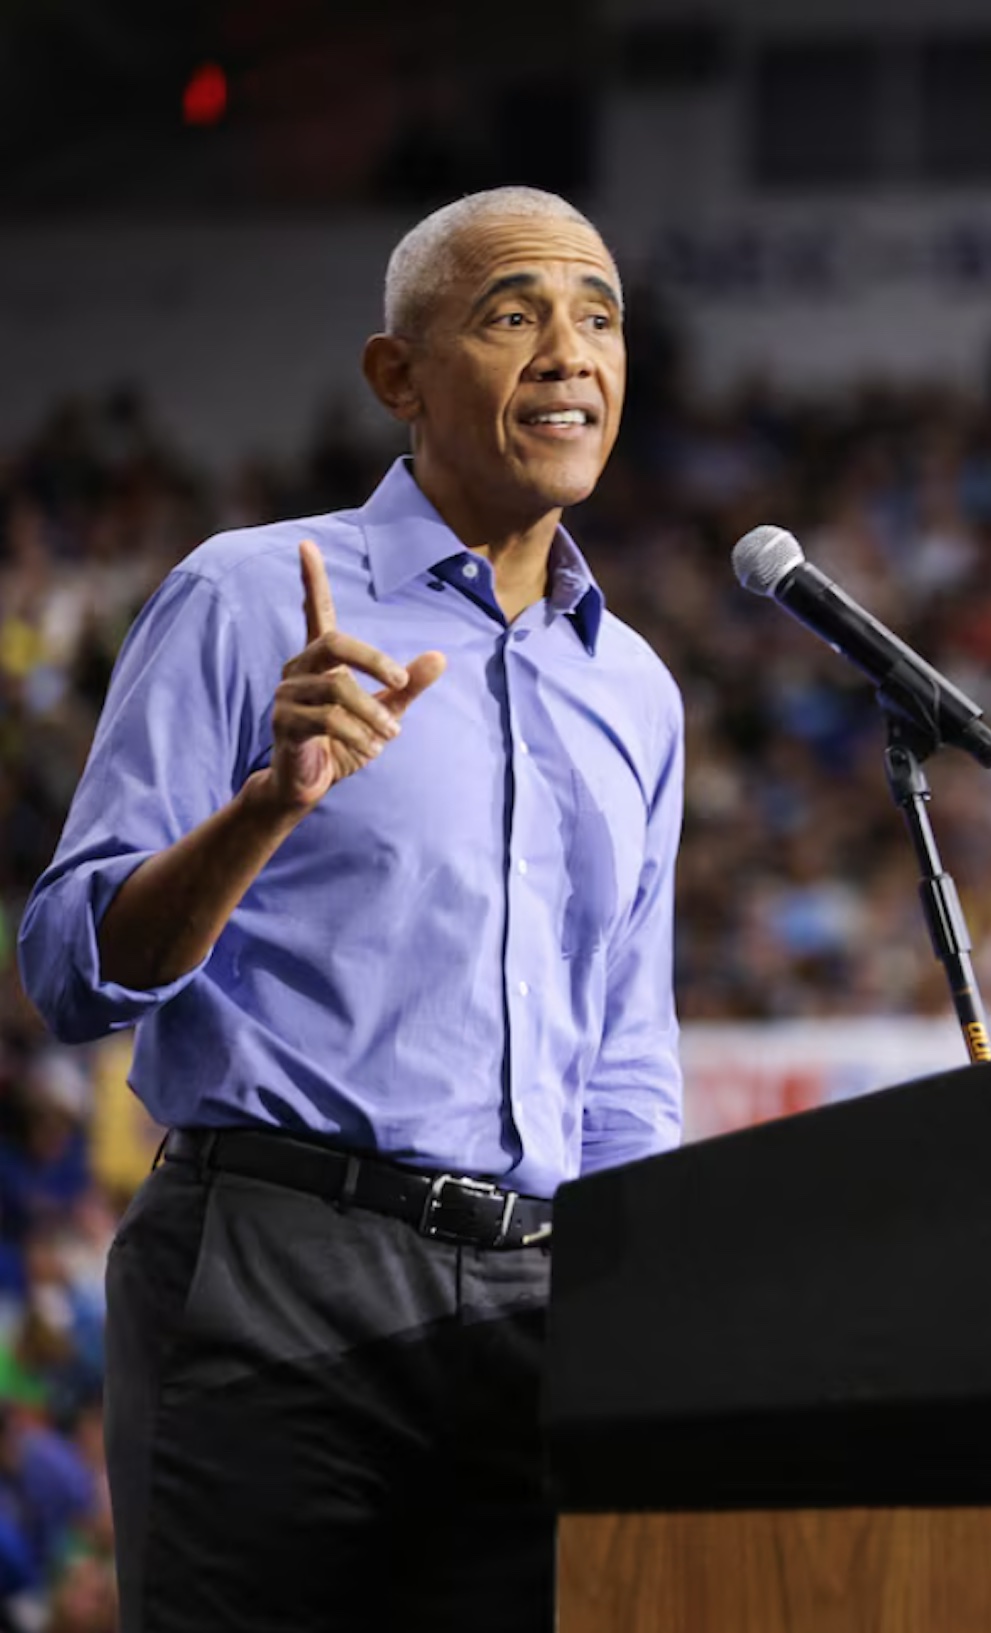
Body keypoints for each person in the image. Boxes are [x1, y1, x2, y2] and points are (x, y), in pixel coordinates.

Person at [16, 186, 685, 1631]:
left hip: (537, 1308)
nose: (571, 353)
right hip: (276, 1270)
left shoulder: (636, 687)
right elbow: (70, 962)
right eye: (513, 315)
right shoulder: (248, 597)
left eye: (600, 317)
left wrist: (648, 1320)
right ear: (399, 377)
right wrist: (268, 799)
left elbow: (624, 1056)